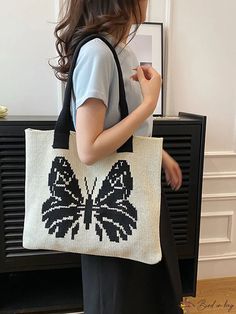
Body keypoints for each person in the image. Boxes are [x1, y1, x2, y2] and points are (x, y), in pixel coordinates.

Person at [52, 0, 184, 313]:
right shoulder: (97, 53)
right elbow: (89, 148)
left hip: (136, 192)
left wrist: (159, 154)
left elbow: (119, 127)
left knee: (149, 296)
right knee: (120, 300)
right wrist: (148, 106)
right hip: (111, 204)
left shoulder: (121, 52)